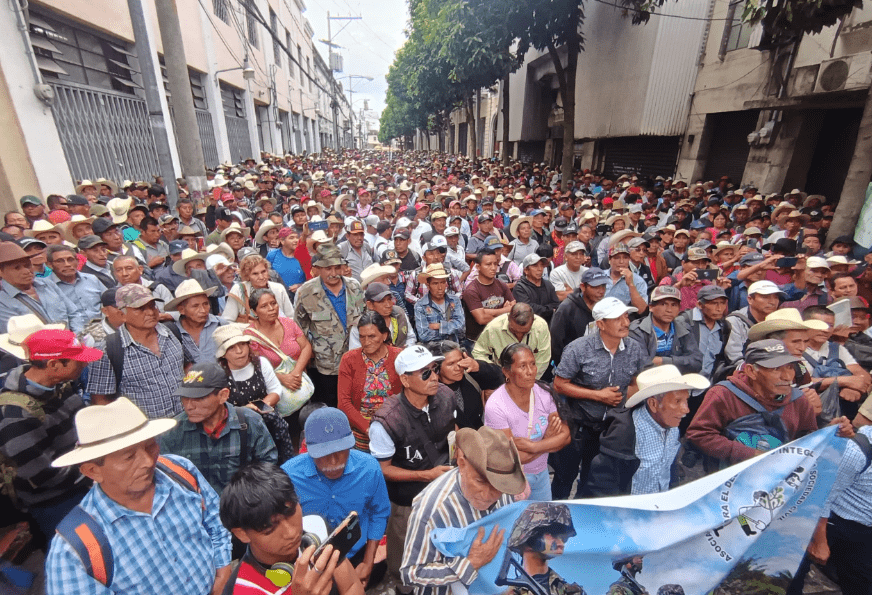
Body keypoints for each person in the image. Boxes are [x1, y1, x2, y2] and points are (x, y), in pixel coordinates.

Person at [45, 397, 232, 595]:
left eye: (150, 445)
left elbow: (215, 517)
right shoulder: (73, 550)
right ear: (93, 471)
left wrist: (222, 570)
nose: (147, 461)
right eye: (129, 456)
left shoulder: (179, 471)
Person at [368, 345, 456, 593]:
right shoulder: (387, 420)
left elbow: (455, 428)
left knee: (443, 553)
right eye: (425, 373)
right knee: (405, 563)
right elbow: (382, 469)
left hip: (443, 496)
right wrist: (426, 475)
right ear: (405, 380)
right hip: (407, 504)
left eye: (434, 369)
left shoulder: (446, 396)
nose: (435, 377)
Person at [0, 329, 102, 539]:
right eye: (77, 361)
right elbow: (41, 474)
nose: (84, 364)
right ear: (54, 365)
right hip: (56, 502)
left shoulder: (60, 386)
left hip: (85, 479)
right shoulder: (16, 415)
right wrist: (96, 471)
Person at [400, 426, 526, 595]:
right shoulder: (432, 508)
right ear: (461, 463)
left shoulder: (505, 494)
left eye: (497, 486)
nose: (489, 495)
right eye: (480, 481)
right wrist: (470, 564)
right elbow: (411, 572)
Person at [686, 339, 853, 466]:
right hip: (729, 478)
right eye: (776, 369)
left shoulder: (799, 399)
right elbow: (699, 434)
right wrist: (749, 454)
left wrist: (829, 432)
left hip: (777, 479)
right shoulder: (723, 394)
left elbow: (806, 439)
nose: (787, 377)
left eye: (789, 368)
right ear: (751, 371)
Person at [282, 408, 391, 587]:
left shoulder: (369, 468)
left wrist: (368, 562)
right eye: (323, 454)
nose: (333, 462)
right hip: (309, 560)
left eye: (341, 450)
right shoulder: (289, 475)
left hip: (356, 555)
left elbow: (379, 513)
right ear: (308, 448)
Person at [551, 297, 648, 499]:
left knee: (594, 480)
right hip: (578, 426)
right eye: (617, 318)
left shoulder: (634, 349)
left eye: (626, 316)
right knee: (564, 477)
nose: (625, 322)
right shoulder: (578, 349)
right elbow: (559, 384)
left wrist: (625, 411)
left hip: (610, 429)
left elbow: (634, 381)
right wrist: (598, 396)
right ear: (600, 324)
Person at [219, 462, 364, 595]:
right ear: (242, 533)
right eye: (269, 529)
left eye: (291, 511)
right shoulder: (242, 589)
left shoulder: (316, 527)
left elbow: (351, 585)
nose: (291, 533)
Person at [588, 365, 709, 496]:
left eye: (686, 400)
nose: (686, 409)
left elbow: (669, 465)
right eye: (677, 401)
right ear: (653, 404)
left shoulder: (672, 427)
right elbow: (603, 484)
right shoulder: (625, 432)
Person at [159, 361, 277, 493]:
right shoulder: (172, 432)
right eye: (185, 398)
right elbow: (164, 477)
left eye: (198, 398)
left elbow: (268, 466)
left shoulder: (250, 422)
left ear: (223, 395)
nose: (189, 406)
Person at [86, 284, 186, 419]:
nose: (150, 312)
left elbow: (188, 366)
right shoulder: (107, 349)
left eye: (152, 306)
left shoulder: (172, 331)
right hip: (146, 431)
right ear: (122, 314)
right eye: (140, 308)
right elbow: (101, 400)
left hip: (186, 421)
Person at [484, 343, 570, 500]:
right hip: (512, 479)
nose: (530, 372)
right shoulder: (496, 406)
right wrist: (549, 442)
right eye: (522, 366)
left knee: (542, 522)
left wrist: (534, 445)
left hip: (542, 475)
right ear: (506, 372)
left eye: (533, 364)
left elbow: (565, 436)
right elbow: (515, 458)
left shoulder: (544, 393)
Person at [805, 424, 872, 595]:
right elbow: (821, 492)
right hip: (834, 524)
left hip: (864, 530)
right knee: (790, 582)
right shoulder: (857, 450)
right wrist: (819, 541)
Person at [295, 244, 365, 407]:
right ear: (318, 268)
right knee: (330, 405)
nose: (333, 273)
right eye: (327, 268)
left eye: (337, 268)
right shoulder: (306, 292)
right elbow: (299, 328)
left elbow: (365, 319)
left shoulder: (354, 287)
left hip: (356, 360)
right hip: (326, 365)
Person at [338, 312, 403, 451]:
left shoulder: (399, 357)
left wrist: (389, 428)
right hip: (360, 432)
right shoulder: (349, 360)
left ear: (384, 335)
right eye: (362, 337)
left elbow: (409, 394)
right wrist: (369, 429)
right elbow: (343, 402)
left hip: (396, 429)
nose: (366, 342)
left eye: (372, 336)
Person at [0, 242, 86, 333]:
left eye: (28, 265)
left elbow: (73, 313)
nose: (26, 271)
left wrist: (77, 337)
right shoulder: (2, 302)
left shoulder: (48, 284)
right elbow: (17, 335)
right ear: (1, 272)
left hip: (72, 341)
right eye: (17, 268)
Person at [503, 502, 583, 595]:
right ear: (530, 538)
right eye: (554, 534)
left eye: (564, 538)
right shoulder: (512, 592)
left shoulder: (569, 591)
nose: (561, 543)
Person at [245, 288, 313, 392]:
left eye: (273, 303)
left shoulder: (288, 323)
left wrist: (296, 373)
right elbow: (252, 366)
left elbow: (306, 347)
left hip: (299, 384)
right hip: (272, 389)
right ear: (254, 312)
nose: (271, 308)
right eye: (264, 306)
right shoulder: (250, 335)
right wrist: (281, 378)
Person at [427, 340, 503, 430]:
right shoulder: (432, 391)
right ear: (437, 367)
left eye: (460, 361)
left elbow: (500, 377)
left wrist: (478, 366)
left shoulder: (470, 376)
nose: (458, 367)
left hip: (481, 435)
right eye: (451, 364)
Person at [628, 285, 703, 373]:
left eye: (674, 305)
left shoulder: (683, 328)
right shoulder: (637, 331)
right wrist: (680, 363)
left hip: (677, 381)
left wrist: (664, 361)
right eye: (663, 304)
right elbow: (642, 366)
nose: (669, 310)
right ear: (651, 307)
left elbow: (697, 362)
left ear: (679, 309)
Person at [472, 303, 552, 380]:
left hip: (531, 377)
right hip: (501, 376)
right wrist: (495, 373)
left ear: (533, 321)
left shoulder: (541, 327)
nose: (518, 335)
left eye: (524, 333)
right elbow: (478, 353)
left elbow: (543, 359)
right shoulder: (493, 327)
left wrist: (530, 379)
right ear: (508, 317)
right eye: (514, 331)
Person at [550, 267, 608, 367]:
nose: (601, 291)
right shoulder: (566, 309)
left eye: (603, 286)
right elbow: (556, 342)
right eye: (595, 287)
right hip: (572, 363)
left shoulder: (604, 306)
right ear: (583, 286)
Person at [164, 279, 226, 363]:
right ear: (182, 310)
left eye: (206, 304)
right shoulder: (172, 333)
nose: (203, 310)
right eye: (195, 306)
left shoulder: (221, 325)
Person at [724, 280, 784, 367]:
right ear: (750, 299)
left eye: (776, 297)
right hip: (747, 372)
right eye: (765, 297)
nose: (772, 302)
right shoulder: (735, 321)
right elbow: (735, 357)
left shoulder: (780, 321)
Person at [223, 254, 294, 323]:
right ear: (247, 275)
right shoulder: (238, 289)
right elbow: (227, 320)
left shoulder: (278, 288)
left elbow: (291, 317)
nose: (261, 277)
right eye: (255, 274)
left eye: (263, 272)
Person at [463, 251, 516, 341]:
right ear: (478, 267)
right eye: (488, 264)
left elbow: (514, 309)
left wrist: (487, 311)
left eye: (495, 264)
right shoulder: (471, 290)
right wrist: (506, 311)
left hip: (500, 337)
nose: (493, 268)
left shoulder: (501, 284)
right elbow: (481, 319)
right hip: (478, 340)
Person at [45, 244, 105, 323]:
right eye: (60, 261)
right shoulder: (46, 287)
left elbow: (109, 302)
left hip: (101, 328)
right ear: (49, 265)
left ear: (77, 261)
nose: (67, 264)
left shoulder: (92, 279)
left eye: (70, 259)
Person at [351, 282, 415, 349]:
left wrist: (404, 352)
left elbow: (411, 337)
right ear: (370, 304)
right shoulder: (360, 324)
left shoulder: (400, 314)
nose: (388, 305)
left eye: (389, 299)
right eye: (381, 301)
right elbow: (355, 351)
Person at [414, 263, 466, 344]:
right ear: (428, 285)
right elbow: (424, 335)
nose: (440, 288)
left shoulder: (455, 300)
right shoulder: (420, 305)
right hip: (433, 349)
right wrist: (450, 327)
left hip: (454, 346)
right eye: (435, 283)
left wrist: (439, 326)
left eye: (442, 282)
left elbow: (461, 326)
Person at [512, 254, 560, 324]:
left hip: (548, 324)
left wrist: (545, 309)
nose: (540, 269)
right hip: (528, 325)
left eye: (541, 265)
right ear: (526, 270)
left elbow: (556, 304)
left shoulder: (548, 284)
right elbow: (528, 309)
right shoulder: (520, 287)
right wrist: (550, 310)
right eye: (535, 266)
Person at [604, 243, 649, 313]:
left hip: (625, 319)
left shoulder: (638, 281)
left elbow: (642, 310)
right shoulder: (599, 276)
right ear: (610, 259)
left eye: (625, 258)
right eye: (617, 258)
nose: (621, 262)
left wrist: (631, 284)